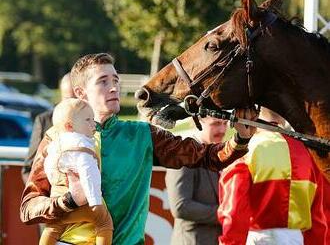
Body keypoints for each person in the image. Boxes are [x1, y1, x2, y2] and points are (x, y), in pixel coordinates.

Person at [20, 53, 258, 244]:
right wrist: (69, 201)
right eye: (103, 81)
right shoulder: (55, 138)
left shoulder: (142, 133)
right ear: (81, 93)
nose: (114, 88)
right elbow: (28, 208)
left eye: (115, 81)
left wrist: (240, 139)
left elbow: (207, 156)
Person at [217, 107, 327, 245]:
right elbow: (318, 216)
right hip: (296, 238)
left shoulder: (245, 150)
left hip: (258, 239)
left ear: (256, 112)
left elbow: (234, 210)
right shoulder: (307, 152)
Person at [39, 98, 113, 245]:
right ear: (69, 126)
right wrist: (94, 201)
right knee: (105, 223)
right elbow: (88, 173)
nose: (93, 124)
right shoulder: (82, 146)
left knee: (52, 228)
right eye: (88, 120)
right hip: (86, 203)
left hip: (60, 202)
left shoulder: (54, 144)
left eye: (93, 119)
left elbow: (48, 168)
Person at [166, 116, 228, 245]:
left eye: (225, 123)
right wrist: (225, 213)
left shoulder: (224, 154)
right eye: (216, 124)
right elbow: (181, 206)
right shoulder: (184, 155)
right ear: (197, 123)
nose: (222, 129)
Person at [21, 73, 75, 183]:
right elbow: (28, 169)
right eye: (69, 98)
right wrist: (41, 197)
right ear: (61, 97)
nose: (75, 104)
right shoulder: (45, 120)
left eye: (78, 98)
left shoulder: (92, 121)